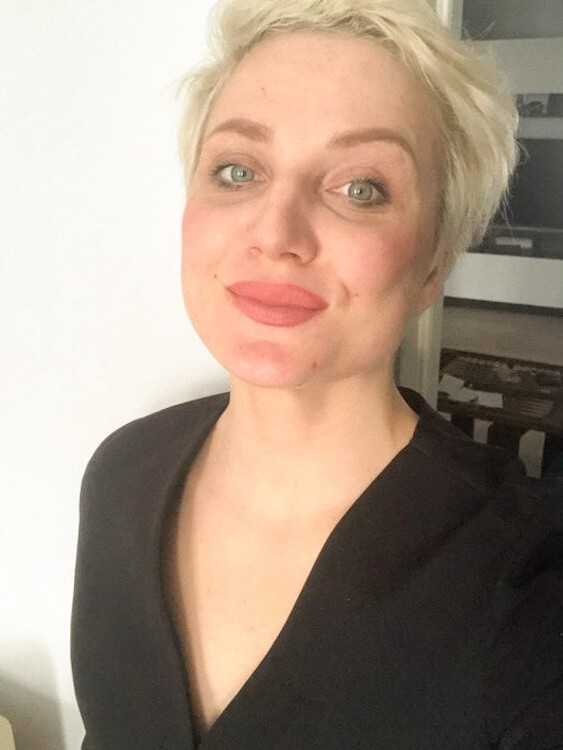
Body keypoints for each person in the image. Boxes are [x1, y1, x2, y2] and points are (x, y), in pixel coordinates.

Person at [71, 0, 563, 747]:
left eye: (360, 187)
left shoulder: (529, 587)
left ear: (434, 262)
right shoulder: (121, 475)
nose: (275, 233)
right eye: (237, 170)